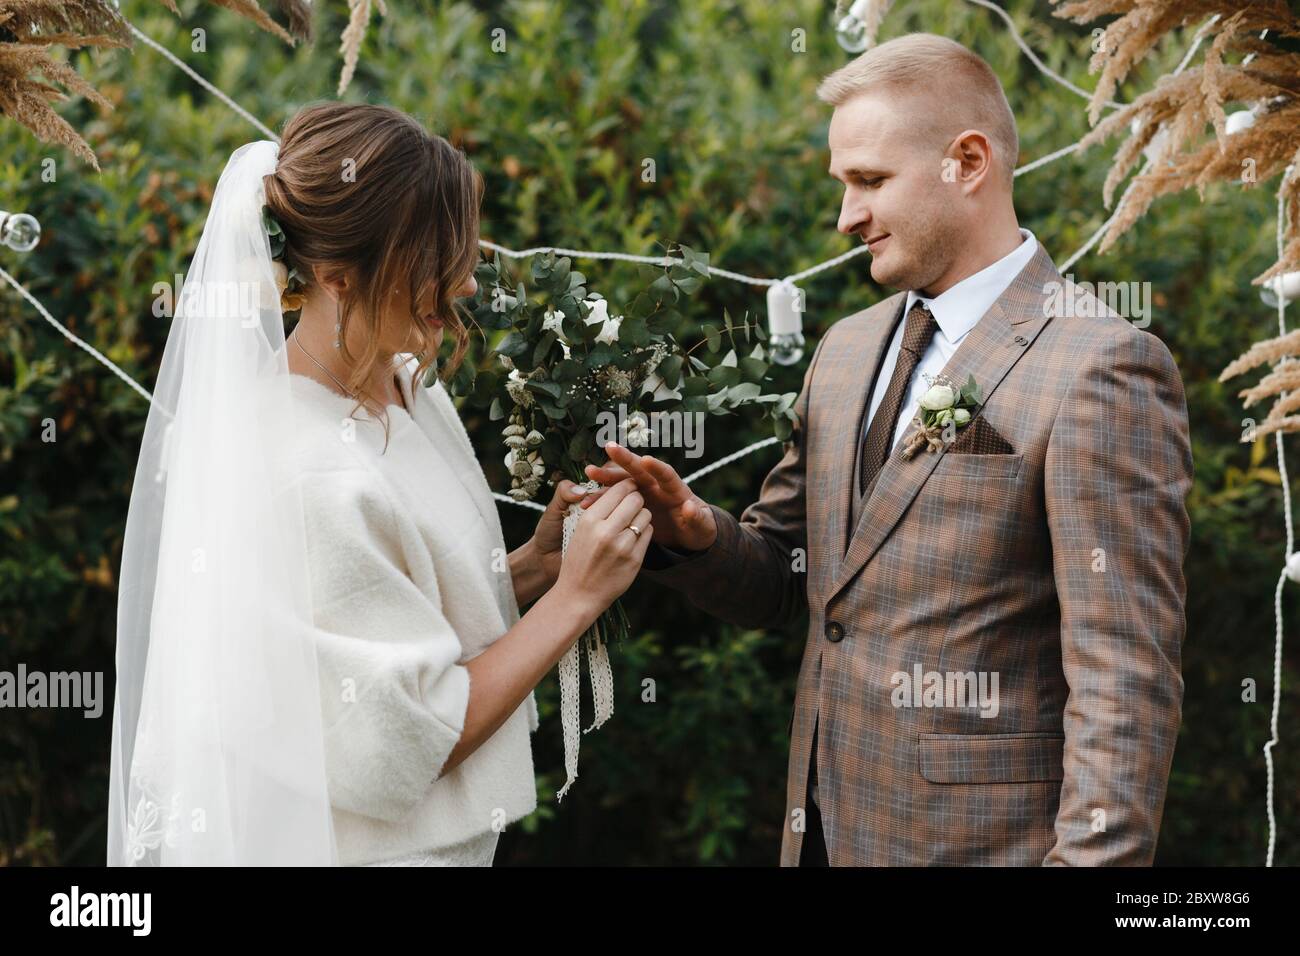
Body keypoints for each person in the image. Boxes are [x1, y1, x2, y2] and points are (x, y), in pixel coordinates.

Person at [584, 33, 1193, 866]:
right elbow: (795, 584)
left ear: (967, 163)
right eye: (845, 184)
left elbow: (1126, 682)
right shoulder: (843, 351)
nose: (846, 217)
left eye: (870, 181)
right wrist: (695, 530)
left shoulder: (1101, 364)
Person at [107, 102, 653, 866]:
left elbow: (404, 614)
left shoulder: (405, 386)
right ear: (335, 276)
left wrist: (534, 567)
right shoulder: (305, 473)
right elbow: (409, 732)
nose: (462, 284)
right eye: (432, 261)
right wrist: (579, 597)